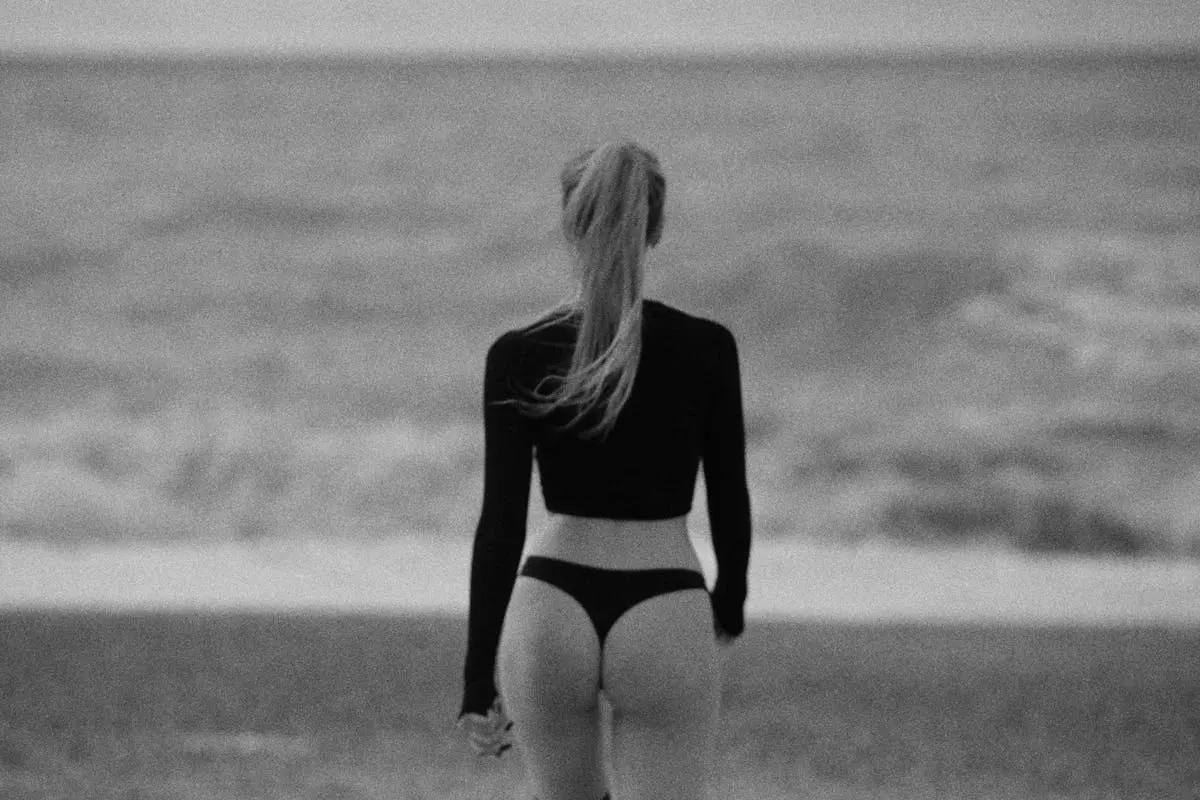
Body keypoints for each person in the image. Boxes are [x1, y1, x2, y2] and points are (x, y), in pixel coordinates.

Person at [457, 139, 752, 800]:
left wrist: (478, 678)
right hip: (664, 601)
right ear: (656, 228)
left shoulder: (517, 353)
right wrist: (730, 600)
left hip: (549, 604)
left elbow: (500, 522)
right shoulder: (708, 348)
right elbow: (730, 495)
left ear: (570, 222)